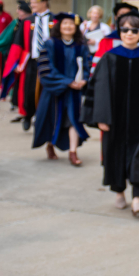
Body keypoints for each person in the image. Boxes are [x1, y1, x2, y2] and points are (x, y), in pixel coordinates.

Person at [83, 12, 139, 217]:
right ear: (119, 32)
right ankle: (119, 191)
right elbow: (100, 88)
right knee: (115, 154)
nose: (129, 33)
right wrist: (101, 116)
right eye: (125, 30)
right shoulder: (110, 57)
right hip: (115, 117)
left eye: (134, 30)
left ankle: (138, 197)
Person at [32, 12, 92, 165]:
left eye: (71, 24)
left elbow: (87, 65)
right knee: (53, 118)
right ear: (59, 26)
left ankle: (73, 152)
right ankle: (50, 145)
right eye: (65, 24)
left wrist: (84, 80)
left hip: (74, 91)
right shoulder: (50, 44)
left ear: (76, 27)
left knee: (73, 119)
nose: (68, 26)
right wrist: (67, 81)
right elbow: (46, 68)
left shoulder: (81, 45)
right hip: (54, 90)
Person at [1, 0, 53, 131]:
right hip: (32, 61)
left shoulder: (55, 20)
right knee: (29, 91)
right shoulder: (27, 21)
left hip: (50, 62)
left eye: (34, 3)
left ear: (44, 3)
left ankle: (41, 117)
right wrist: (16, 62)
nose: (32, 6)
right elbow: (18, 43)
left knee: (46, 90)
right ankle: (28, 115)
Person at [90, 2, 139, 75]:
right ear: (116, 17)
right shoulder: (107, 41)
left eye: (128, 15)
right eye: (122, 15)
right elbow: (97, 64)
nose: (126, 18)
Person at [0, 0, 30, 113]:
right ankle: (16, 103)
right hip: (14, 54)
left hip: (26, 56)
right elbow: (5, 36)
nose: (17, 11)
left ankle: (25, 107)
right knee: (13, 77)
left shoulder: (24, 21)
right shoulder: (16, 23)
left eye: (19, 9)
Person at [0, 0, 13, 83]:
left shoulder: (7, 16)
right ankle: (1, 79)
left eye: (0, 4)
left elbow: (11, 29)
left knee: (6, 62)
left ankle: (6, 79)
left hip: (6, 43)